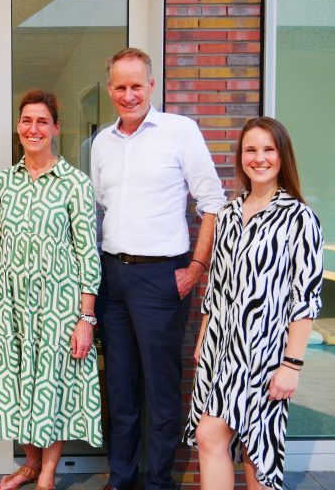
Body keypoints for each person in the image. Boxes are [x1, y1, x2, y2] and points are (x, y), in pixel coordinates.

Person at [91, 47, 226, 490]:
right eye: (119, 87)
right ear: (110, 90)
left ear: (151, 85)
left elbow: (212, 203)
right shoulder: (102, 143)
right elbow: (98, 210)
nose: (128, 94)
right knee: (121, 387)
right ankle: (122, 477)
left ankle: (157, 481)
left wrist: (197, 266)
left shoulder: (179, 131)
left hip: (161, 279)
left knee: (161, 389)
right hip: (113, 278)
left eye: (136, 85)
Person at [184, 117, 323, 490]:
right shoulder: (229, 214)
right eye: (251, 150)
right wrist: (203, 340)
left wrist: (292, 365)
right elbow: (218, 285)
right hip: (221, 348)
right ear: (241, 157)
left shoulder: (300, 219)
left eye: (268, 149)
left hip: (265, 352)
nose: (259, 158)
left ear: (282, 156)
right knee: (218, 438)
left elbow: (305, 299)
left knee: (253, 448)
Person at [0, 90, 102, 490]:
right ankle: (29, 464)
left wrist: (85, 318)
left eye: (42, 121)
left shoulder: (74, 184)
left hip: (59, 306)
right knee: (18, 383)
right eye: (27, 120)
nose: (34, 128)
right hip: (12, 305)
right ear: (19, 127)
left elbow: (88, 254)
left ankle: (46, 474)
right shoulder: (4, 183)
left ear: (56, 130)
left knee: (53, 385)